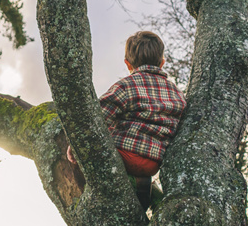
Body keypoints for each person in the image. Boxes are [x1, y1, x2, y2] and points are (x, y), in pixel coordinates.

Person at [68, 31, 187, 209]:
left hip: (126, 155)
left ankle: (86, 199)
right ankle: (144, 187)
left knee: (87, 146)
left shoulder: (126, 86)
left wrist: (74, 145)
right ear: (162, 63)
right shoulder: (177, 93)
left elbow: (96, 118)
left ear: (127, 64)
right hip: (154, 162)